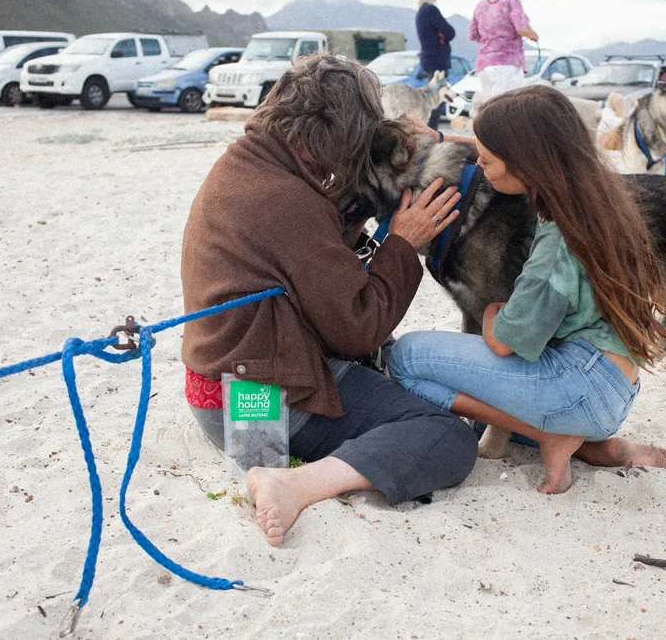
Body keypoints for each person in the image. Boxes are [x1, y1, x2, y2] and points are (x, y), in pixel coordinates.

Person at [181, 54, 477, 547]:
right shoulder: (285, 200)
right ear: (339, 133)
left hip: (224, 383)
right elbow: (358, 325)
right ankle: (293, 484)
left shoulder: (251, 161)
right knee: (445, 435)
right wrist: (402, 242)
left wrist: (440, 140)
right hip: (255, 404)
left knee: (419, 381)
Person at [390, 85, 666, 495]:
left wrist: (489, 311)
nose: (479, 165)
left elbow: (509, 340)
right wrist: (442, 139)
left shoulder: (558, 240)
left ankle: (552, 435)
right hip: (616, 384)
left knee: (406, 357)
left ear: (526, 163)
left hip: (581, 389)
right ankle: (587, 443)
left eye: (486, 160)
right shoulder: (600, 200)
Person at [468, 0, 538, 115]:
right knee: (506, 110)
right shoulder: (512, 1)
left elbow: (473, 34)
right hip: (506, 64)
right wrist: (533, 35)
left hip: (484, 65)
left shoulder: (481, 5)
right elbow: (521, 28)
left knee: (488, 109)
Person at [415, 0, 456, 130]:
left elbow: (445, 33)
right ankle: (432, 136)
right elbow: (450, 32)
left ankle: (430, 134)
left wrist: (442, 35)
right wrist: (442, 36)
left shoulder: (422, 10)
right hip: (437, 62)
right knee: (436, 103)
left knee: (433, 103)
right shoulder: (431, 10)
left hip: (430, 60)